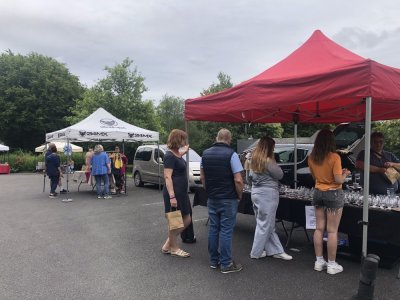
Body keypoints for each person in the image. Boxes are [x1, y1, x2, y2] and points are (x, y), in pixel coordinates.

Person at [200, 128, 244, 273]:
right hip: (228, 198)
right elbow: (238, 180)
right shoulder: (232, 154)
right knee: (226, 230)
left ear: (216, 137)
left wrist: (209, 191)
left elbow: (203, 178)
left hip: (212, 198)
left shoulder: (205, 154)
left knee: (214, 228)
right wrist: (239, 195)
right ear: (229, 140)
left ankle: (214, 261)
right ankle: (226, 264)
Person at [308, 129, 351, 275]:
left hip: (318, 192)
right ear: (331, 141)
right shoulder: (335, 157)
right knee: (332, 230)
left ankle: (319, 261)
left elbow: (314, 177)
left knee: (319, 228)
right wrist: (345, 174)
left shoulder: (311, 157)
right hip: (333, 193)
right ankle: (332, 264)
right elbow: (338, 180)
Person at [249, 136, 293, 261]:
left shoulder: (254, 160)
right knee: (265, 225)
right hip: (268, 194)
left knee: (266, 224)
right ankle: (256, 252)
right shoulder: (269, 161)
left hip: (255, 193)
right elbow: (280, 174)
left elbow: (249, 177)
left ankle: (276, 250)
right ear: (269, 148)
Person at [161, 129, 192, 258]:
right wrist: (172, 196)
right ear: (177, 139)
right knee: (175, 221)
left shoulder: (176, 153)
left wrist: (183, 152)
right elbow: (167, 177)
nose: (185, 142)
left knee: (187, 218)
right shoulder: (169, 155)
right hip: (174, 193)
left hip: (181, 193)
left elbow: (177, 160)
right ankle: (173, 247)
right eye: (183, 139)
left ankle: (168, 244)